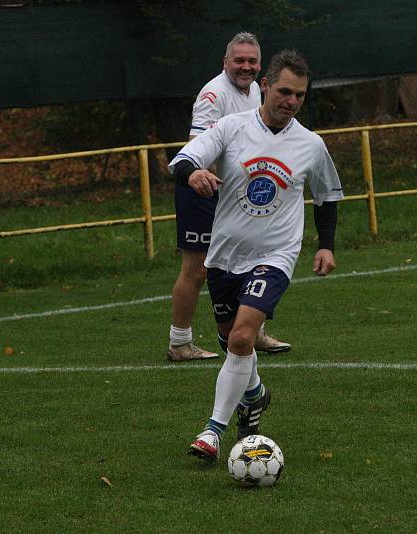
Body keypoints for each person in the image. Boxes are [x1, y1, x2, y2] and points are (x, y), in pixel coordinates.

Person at [168, 49, 343, 459]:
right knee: (232, 340)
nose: (291, 101)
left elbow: (328, 196)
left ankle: (212, 432)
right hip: (226, 255)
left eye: (300, 95)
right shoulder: (231, 127)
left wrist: (326, 244)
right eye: (284, 91)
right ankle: (256, 392)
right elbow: (181, 159)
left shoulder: (311, 144)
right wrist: (193, 173)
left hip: (276, 254)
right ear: (264, 86)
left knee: (245, 335)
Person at [167, 32, 292, 362]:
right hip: (201, 188)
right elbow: (197, 144)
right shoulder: (213, 94)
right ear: (225, 62)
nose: (245, 67)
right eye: (239, 60)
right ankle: (180, 343)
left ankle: (254, 332)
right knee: (196, 270)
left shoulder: (256, 91)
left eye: (252, 61)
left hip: (233, 194)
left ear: (260, 66)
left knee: (253, 262)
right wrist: (202, 175)